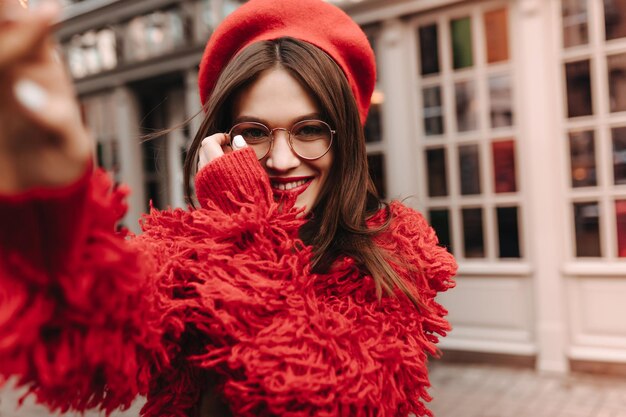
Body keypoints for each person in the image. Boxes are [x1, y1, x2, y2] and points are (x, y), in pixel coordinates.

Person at [0, 0, 457, 416]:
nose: (281, 160)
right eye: (255, 133)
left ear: (346, 141)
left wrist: (246, 225)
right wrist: (53, 198)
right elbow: (84, 331)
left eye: (310, 130)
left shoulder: (396, 254)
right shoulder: (182, 252)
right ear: (221, 139)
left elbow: (326, 395)